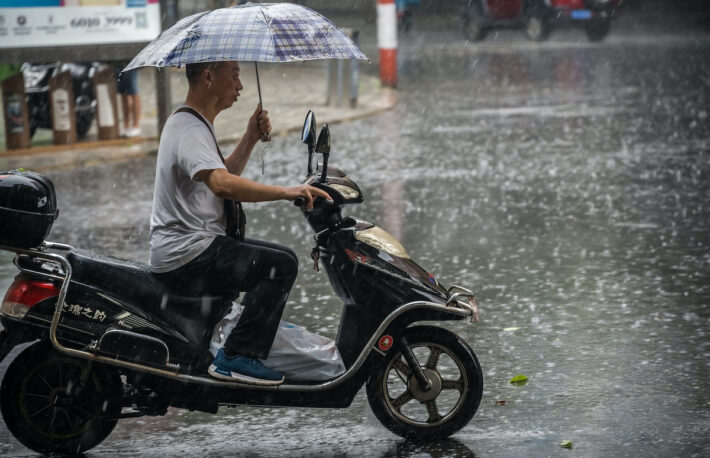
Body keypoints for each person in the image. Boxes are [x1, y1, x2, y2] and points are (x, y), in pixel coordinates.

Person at [149, 60, 331, 385]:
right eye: (234, 75)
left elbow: (221, 175)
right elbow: (221, 185)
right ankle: (236, 357)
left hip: (194, 248)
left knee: (280, 260)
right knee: (280, 266)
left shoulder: (193, 125)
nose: (240, 85)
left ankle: (235, 350)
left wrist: (249, 137)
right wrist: (285, 192)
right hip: (188, 255)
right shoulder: (189, 130)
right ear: (208, 77)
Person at [116, 67, 141, 137]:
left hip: (129, 63)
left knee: (133, 91)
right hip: (119, 63)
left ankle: (136, 125)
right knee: (124, 93)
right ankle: (126, 125)